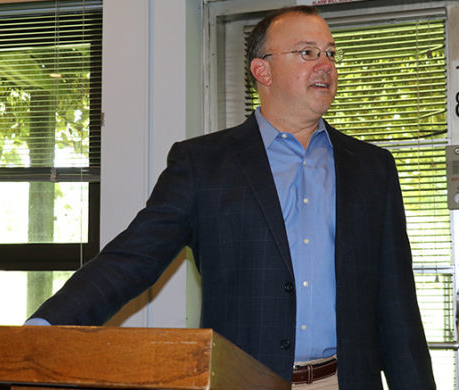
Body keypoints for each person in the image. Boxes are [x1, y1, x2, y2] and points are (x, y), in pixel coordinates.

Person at [26, 6, 435, 389]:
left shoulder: (372, 167)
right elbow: (132, 259)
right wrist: (45, 330)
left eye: (330, 53)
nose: (326, 64)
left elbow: (397, 305)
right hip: (243, 380)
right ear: (263, 70)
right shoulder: (203, 163)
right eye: (308, 52)